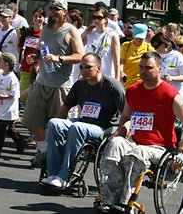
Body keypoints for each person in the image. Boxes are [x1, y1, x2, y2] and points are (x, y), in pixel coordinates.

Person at [98, 51, 183, 213]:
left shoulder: (170, 94)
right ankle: (108, 199)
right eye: (141, 67)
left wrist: (181, 153)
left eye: (148, 68)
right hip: (135, 141)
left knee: (138, 153)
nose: (143, 71)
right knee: (115, 144)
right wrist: (121, 131)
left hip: (159, 148)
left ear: (160, 69)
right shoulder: (132, 91)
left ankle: (125, 203)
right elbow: (125, 116)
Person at [40, 53, 125, 188]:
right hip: (83, 122)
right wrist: (54, 129)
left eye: (88, 67)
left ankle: (64, 176)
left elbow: (126, 113)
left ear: (99, 67)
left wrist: (120, 133)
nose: (84, 70)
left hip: (104, 127)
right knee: (54, 123)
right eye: (81, 67)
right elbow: (66, 107)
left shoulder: (112, 86)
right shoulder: (80, 85)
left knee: (77, 127)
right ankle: (52, 173)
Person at [22, 0, 84, 167]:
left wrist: (59, 58)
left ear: (64, 12)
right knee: (31, 120)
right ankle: (43, 150)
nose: (53, 11)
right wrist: (33, 56)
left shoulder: (70, 31)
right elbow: (38, 50)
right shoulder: (46, 29)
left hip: (61, 86)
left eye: (57, 9)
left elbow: (80, 56)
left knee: (57, 127)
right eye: (51, 8)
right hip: (42, 82)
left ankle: (56, 159)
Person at [0, 52, 25, 157]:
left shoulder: (12, 78)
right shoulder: (0, 75)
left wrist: (4, 96)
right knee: (9, 129)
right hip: (1, 106)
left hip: (9, 108)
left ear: (7, 64)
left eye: (1, 61)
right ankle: (21, 143)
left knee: (0, 128)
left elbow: (14, 94)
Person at [82, 7, 120, 81]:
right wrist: (85, 32)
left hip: (106, 76)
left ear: (105, 19)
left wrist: (117, 80)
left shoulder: (112, 35)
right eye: (94, 17)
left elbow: (116, 61)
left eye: (99, 17)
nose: (96, 20)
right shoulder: (90, 33)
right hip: (90, 76)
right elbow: (78, 45)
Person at [151, 32, 183, 100]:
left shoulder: (177, 56)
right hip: (161, 93)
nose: (155, 49)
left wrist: (172, 78)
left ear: (164, 44)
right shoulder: (155, 56)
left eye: (157, 46)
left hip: (177, 94)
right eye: (154, 47)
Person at [18, 7, 45, 102]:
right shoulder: (28, 32)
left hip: (39, 69)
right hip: (26, 67)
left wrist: (39, 64)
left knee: (35, 98)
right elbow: (21, 48)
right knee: (23, 96)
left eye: (40, 16)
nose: (37, 18)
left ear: (44, 19)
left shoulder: (45, 33)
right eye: (35, 16)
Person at [120, 23, 154, 89]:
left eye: (141, 38)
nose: (138, 40)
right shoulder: (126, 46)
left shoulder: (149, 48)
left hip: (142, 84)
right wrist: (121, 72)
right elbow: (121, 62)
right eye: (137, 37)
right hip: (127, 82)